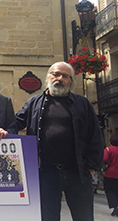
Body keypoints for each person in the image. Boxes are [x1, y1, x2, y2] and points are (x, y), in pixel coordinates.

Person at [15, 62, 104, 221]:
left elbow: (95, 136)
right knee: (48, 218)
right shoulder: (34, 103)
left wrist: (91, 167)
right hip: (46, 172)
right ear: (48, 76)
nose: (60, 78)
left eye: (65, 76)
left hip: (77, 172)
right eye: (56, 74)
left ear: (71, 80)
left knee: (83, 216)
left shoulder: (83, 103)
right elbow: (14, 124)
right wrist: (1, 132)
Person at [104, 135, 118, 217]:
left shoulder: (108, 149)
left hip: (110, 174)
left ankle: (115, 206)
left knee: (110, 190)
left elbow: (105, 159)